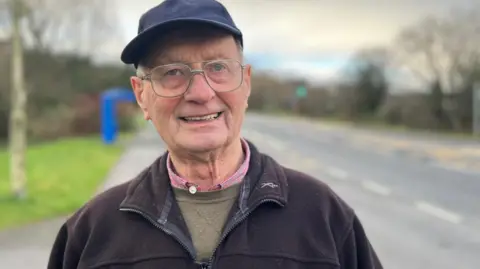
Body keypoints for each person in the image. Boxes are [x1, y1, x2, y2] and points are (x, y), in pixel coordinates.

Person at [47, 0, 383, 268]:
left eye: (218, 67)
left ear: (246, 82)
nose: (200, 92)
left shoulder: (323, 216)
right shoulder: (92, 232)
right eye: (172, 72)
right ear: (141, 96)